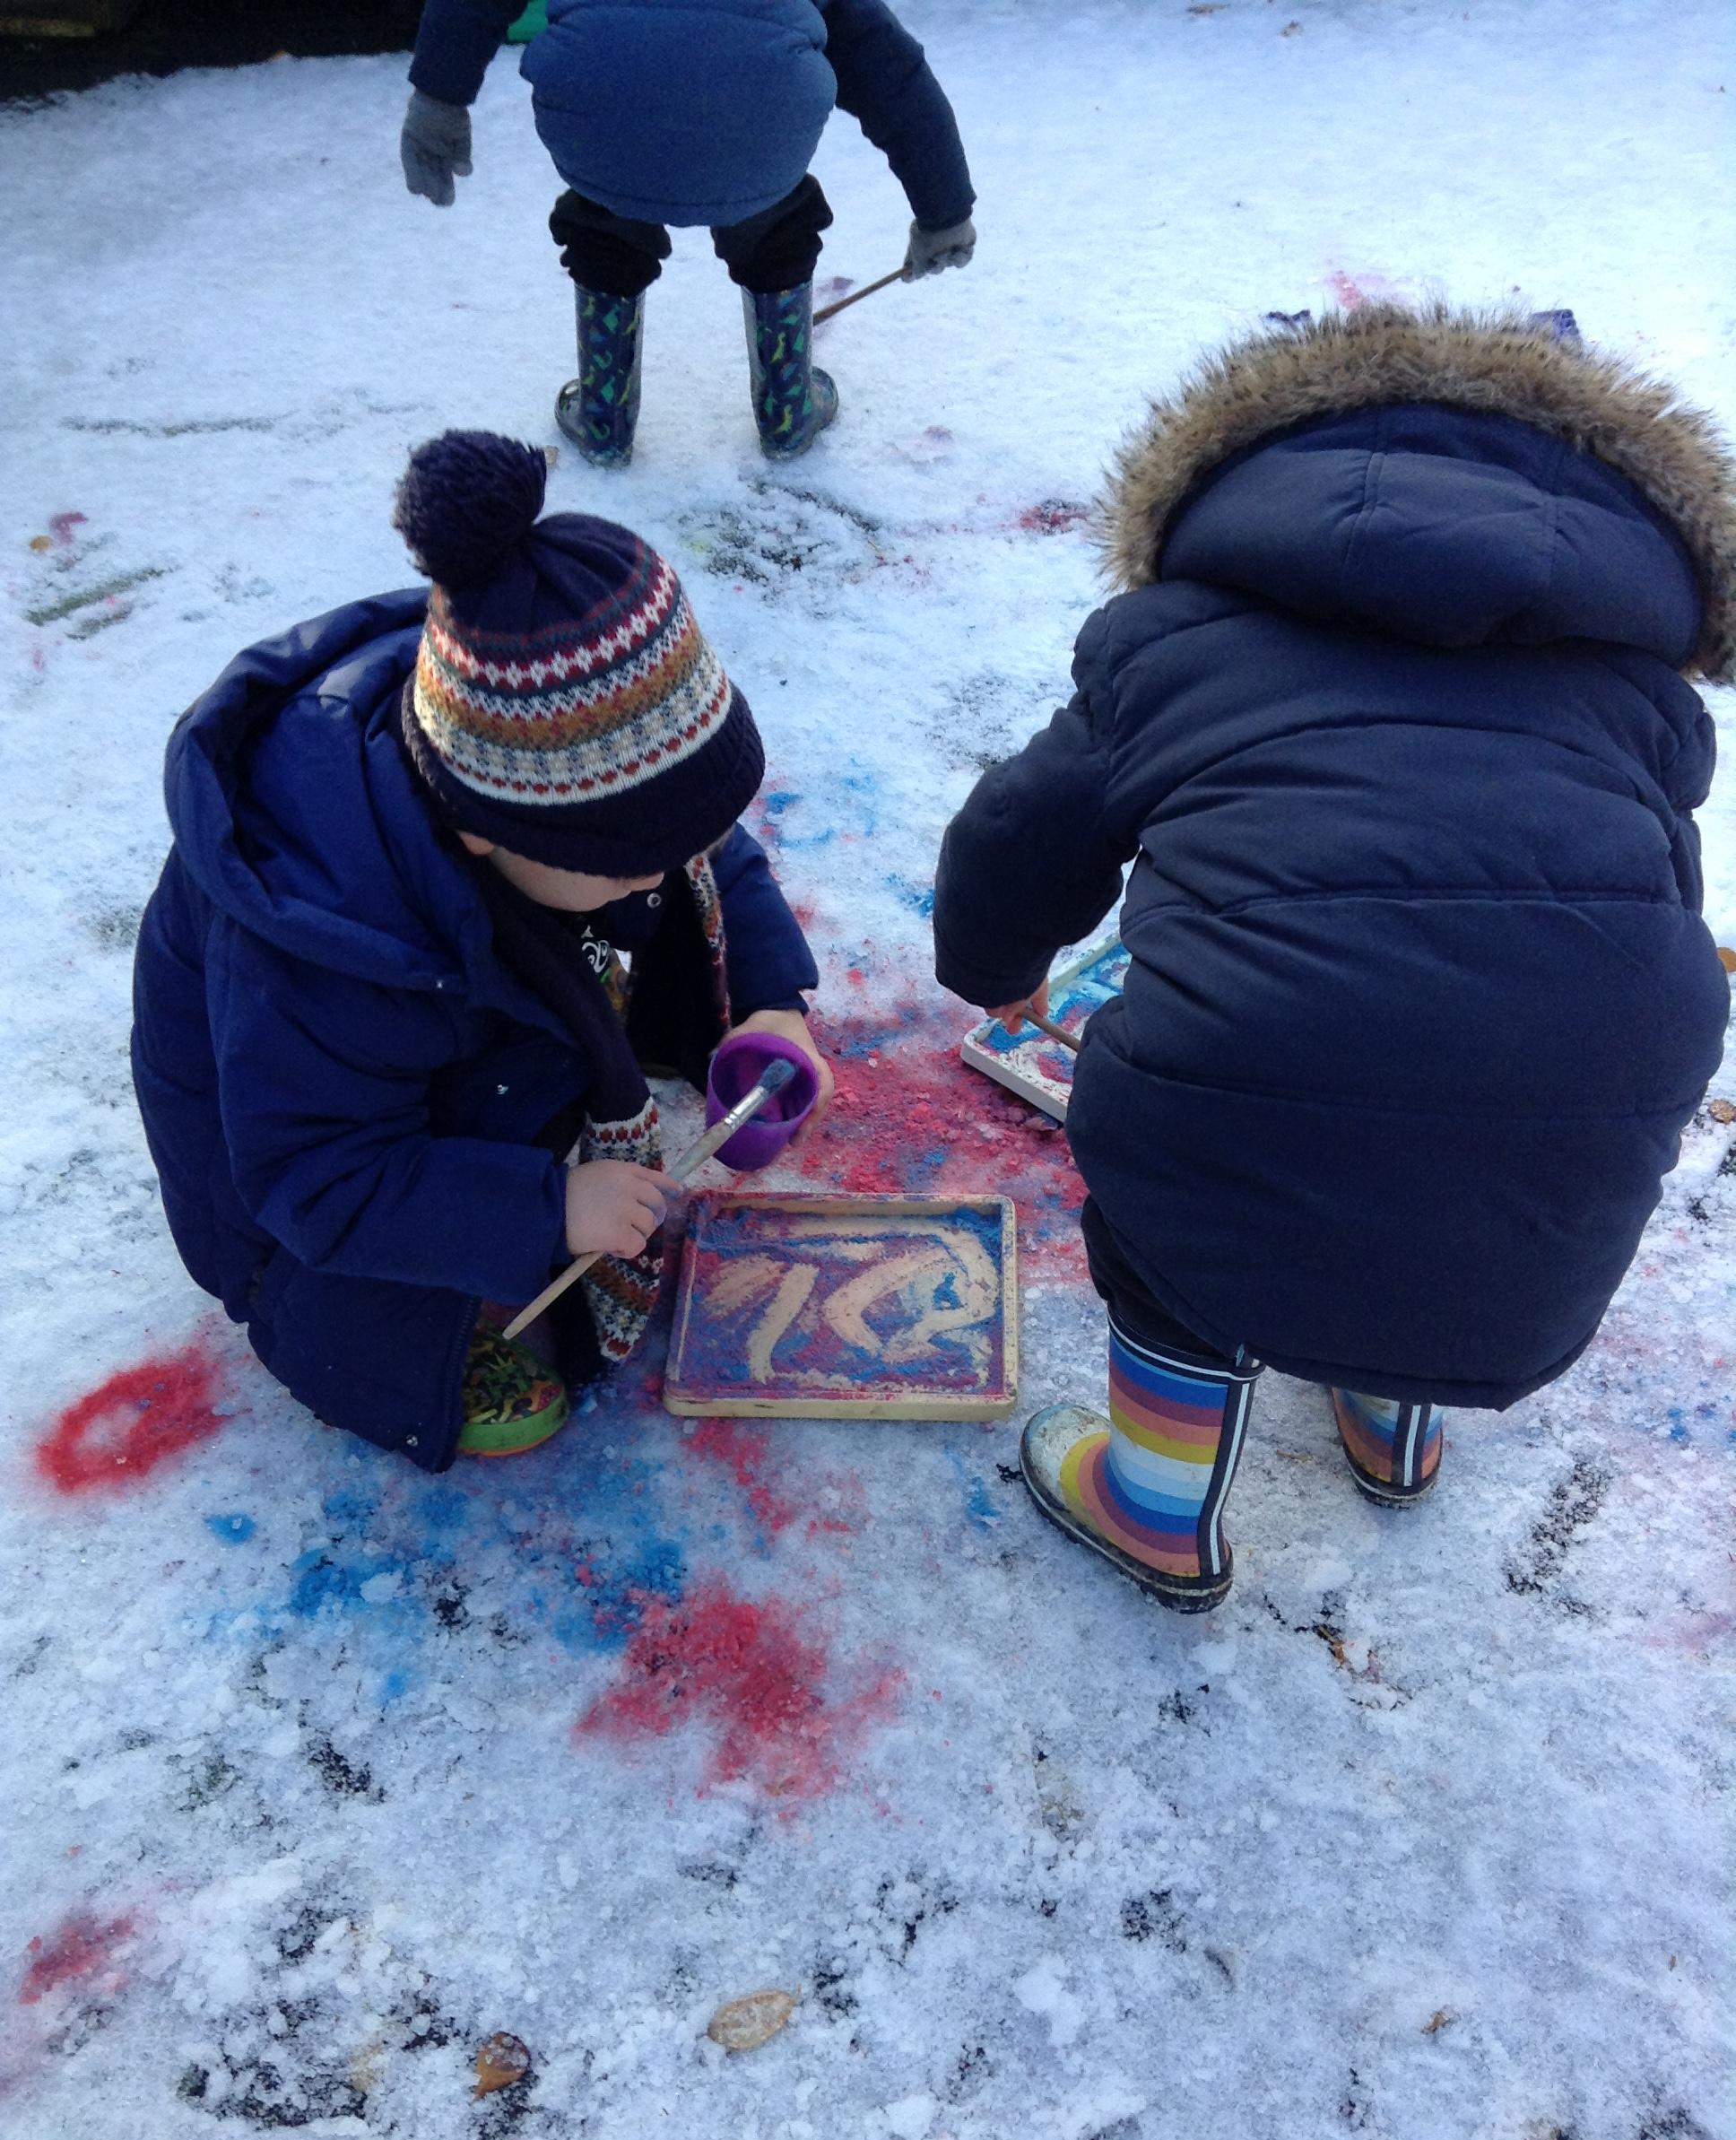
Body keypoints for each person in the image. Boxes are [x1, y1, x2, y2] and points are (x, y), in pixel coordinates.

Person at [932, 303, 1733, 1613]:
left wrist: (996, 965)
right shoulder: (1638, 694)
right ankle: (1393, 1429)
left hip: (1240, 1078)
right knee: (1452, 1158)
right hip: (1571, 1126)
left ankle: (1156, 1511)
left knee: (1180, 1224)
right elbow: (1650, 900)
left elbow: (1016, 838)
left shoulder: (1179, 642)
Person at [133, 431, 829, 1472]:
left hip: (446, 1005)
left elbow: (704, 855)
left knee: (625, 927)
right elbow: (317, 1179)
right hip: (288, 1199)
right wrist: (547, 1208)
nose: (665, 870)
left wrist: (771, 1000)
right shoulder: (329, 944)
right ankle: (384, 1349)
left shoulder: (551, 790)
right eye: (626, 862)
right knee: (383, 1314)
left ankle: (537, 1084)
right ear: (480, 832)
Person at [399, 0, 976, 464]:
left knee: (606, 220)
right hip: (761, 112)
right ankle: (787, 409)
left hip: (599, 100)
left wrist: (438, 96)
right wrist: (944, 211)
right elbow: (889, 71)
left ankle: (604, 416)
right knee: (775, 223)